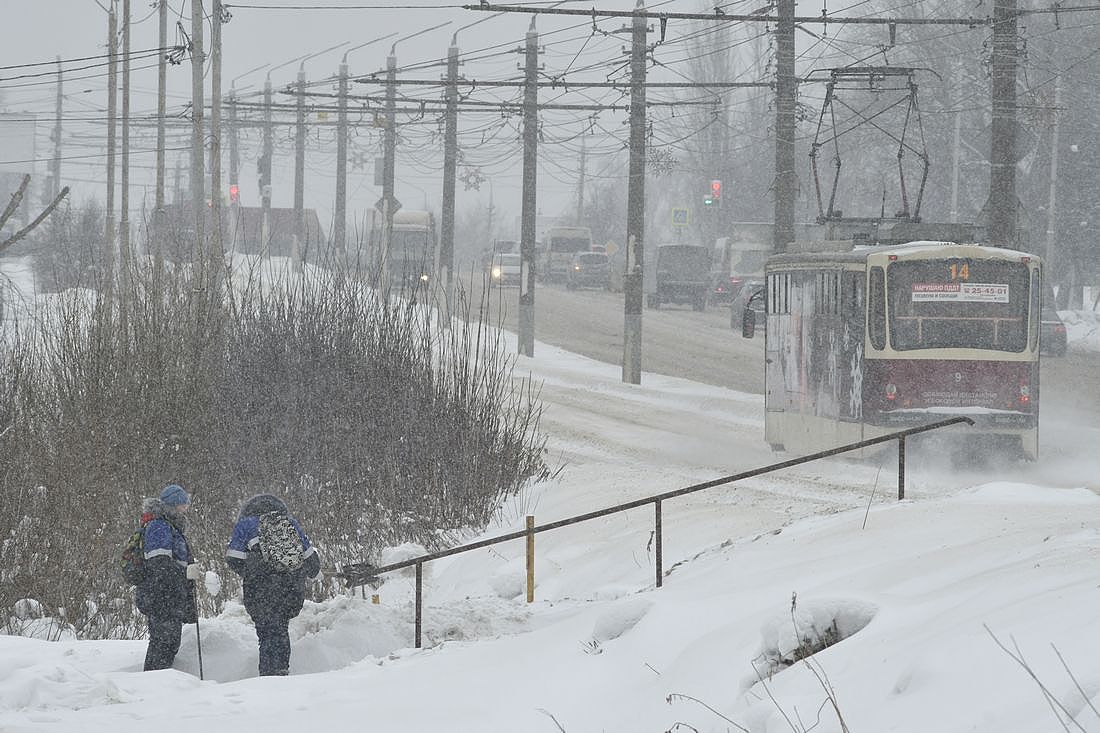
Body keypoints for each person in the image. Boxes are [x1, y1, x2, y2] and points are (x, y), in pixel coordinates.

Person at [225, 493, 321, 676]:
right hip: (289, 589)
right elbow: (312, 563)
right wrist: (294, 572)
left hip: (260, 590)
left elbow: (233, 558)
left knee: (267, 633)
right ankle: (282, 671)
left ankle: (268, 676)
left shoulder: (245, 525)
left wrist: (252, 571)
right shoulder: (289, 523)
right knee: (281, 629)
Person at [137, 483, 201, 671]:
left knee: (169, 642)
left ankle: (160, 679)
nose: (186, 508)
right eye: (183, 504)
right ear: (174, 505)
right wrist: (185, 573)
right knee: (163, 642)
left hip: (169, 595)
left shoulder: (170, 526)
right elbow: (159, 563)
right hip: (160, 595)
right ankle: (154, 679)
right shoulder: (159, 526)